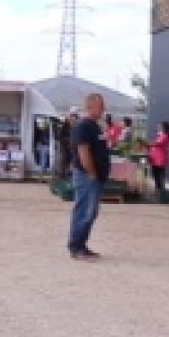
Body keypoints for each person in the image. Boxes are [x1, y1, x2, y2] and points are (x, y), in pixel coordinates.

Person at [68, 93, 110, 260]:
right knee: (85, 210)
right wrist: (91, 172)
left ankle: (82, 245)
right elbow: (83, 151)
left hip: (95, 176)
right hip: (87, 176)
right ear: (90, 107)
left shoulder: (95, 126)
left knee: (91, 212)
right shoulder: (83, 126)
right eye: (100, 106)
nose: (103, 109)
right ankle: (76, 246)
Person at [146, 121, 169, 199]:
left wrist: (147, 144)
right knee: (156, 175)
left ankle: (161, 194)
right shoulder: (161, 135)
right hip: (156, 159)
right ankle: (158, 193)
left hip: (160, 159)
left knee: (160, 177)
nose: (158, 128)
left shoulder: (165, 136)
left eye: (160, 126)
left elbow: (157, 144)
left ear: (164, 128)